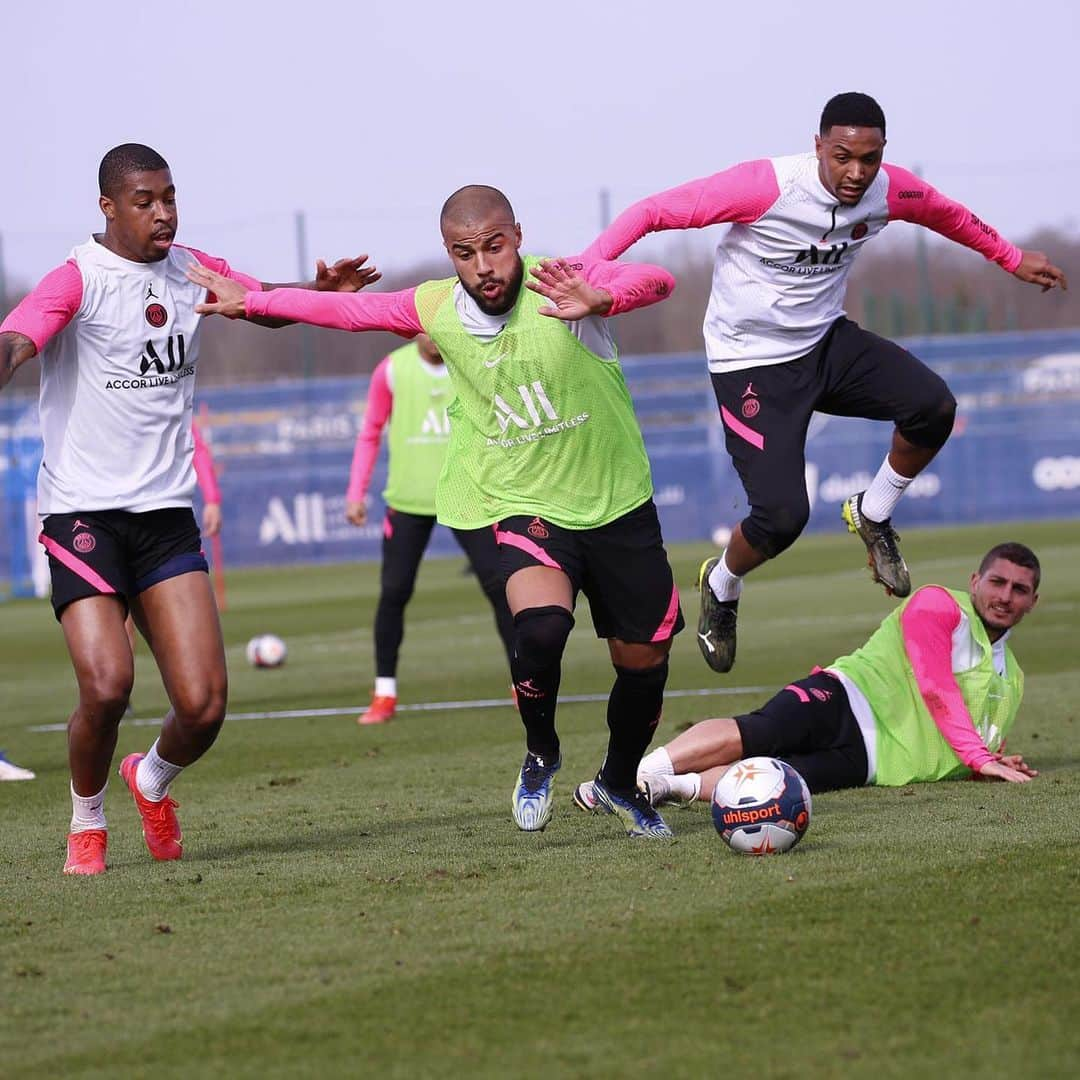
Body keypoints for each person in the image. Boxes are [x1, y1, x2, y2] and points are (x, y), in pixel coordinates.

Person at [189, 184, 684, 838]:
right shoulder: (436, 307)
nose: (484, 265)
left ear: (517, 237)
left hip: (618, 506)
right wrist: (251, 301)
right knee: (539, 630)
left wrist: (604, 298)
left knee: (643, 666)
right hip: (523, 504)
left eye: (496, 246)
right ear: (450, 254)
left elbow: (657, 278)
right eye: (465, 252)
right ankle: (541, 752)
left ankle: (620, 782)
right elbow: (343, 314)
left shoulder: (568, 281)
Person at [584, 92, 1067, 675]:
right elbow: (650, 212)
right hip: (750, 362)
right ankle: (724, 581)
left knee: (934, 407)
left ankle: (874, 511)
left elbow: (950, 216)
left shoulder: (891, 189)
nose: (856, 172)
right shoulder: (765, 186)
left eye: (870, 157)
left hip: (826, 343)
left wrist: (1011, 258)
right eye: (842, 156)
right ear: (818, 146)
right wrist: (585, 270)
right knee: (783, 517)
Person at [0, 143, 377, 875]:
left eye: (170, 196)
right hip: (83, 515)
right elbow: (20, 336)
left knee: (203, 707)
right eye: (145, 200)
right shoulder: (78, 278)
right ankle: (86, 820)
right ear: (109, 207)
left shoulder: (191, 267)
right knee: (107, 686)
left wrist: (316, 288)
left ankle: (148, 780)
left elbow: (254, 301)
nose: (164, 211)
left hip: (165, 515)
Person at [573, 542, 1041, 812]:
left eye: (1019, 590)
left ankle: (658, 789)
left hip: (874, 763)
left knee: (772, 780)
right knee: (759, 732)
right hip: (846, 698)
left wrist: (993, 760)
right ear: (975, 580)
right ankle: (629, 774)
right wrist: (981, 758)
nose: (1006, 596)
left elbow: (969, 742)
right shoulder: (938, 604)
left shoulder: (1013, 678)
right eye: (997, 582)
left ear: (1032, 602)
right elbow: (936, 688)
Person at [345, 332, 515, 724]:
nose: (434, 335)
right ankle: (384, 694)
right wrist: (356, 492)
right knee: (394, 592)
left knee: (501, 588)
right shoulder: (391, 370)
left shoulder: (471, 362)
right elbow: (370, 431)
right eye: (425, 326)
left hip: (468, 499)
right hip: (407, 502)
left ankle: (523, 685)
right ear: (411, 329)